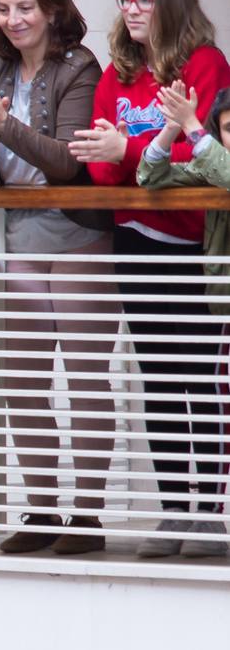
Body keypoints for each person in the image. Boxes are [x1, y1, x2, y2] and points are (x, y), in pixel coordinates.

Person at [0, 0, 118, 555]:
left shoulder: (79, 66)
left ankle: (88, 516)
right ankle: (43, 509)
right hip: (19, 236)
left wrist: (6, 125)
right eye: (4, 8)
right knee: (22, 381)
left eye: (24, 7)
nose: (13, 19)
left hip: (76, 234)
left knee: (84, 376)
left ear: (51, 9)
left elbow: (67, 162)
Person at [72, 0, 230, 558]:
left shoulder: (204, 65)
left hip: (191, 241)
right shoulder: (119, 70)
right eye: (124, 0)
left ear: (170, 3)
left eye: (142, 1)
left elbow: (204, 157)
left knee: (195, 377)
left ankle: (208, 515)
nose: (131, 11)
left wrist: (129, 148)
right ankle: (174, 512)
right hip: (135, 239)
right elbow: (105, 169)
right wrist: (122, 153)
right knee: (157, 380)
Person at [136, 82, 230, 557]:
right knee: (181, 385)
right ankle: (186, 512)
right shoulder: (212, 160)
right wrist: (172, 128)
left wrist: (195, 128)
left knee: (213, 398)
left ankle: (211, 515)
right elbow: (150, 178)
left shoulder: (219, 161)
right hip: (221, 304)